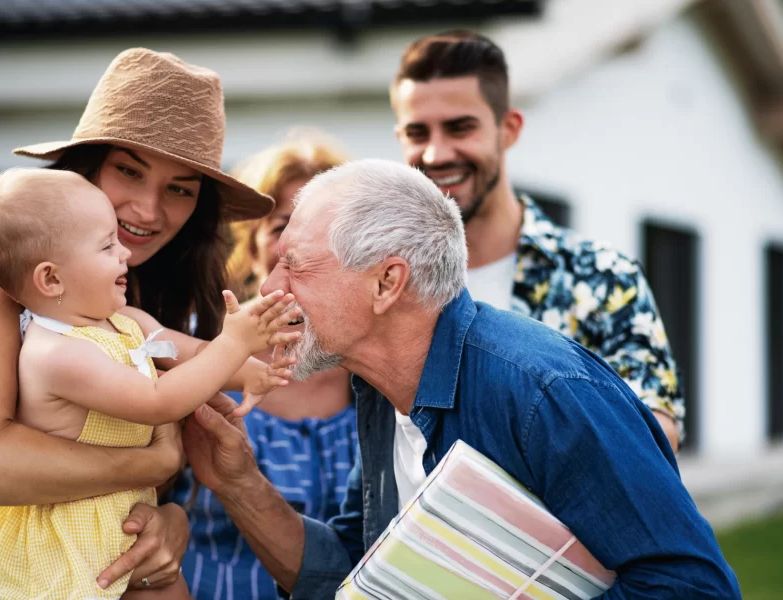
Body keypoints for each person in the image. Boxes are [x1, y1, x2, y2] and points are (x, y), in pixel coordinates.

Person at [181, 159, 742, 599]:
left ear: (386, 284)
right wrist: (238, 483)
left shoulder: (544, 394)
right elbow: (356, 570)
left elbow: (694, 587)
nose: (270, 288)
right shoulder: (377, 389)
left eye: (295, 265)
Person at [0, 48, 271, 596]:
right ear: (86, 166)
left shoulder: (130, 290)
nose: (149, 211)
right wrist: (153, 462)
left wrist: (170, 522)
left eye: (180, 189)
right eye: (128, 170)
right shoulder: (7, 281)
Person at [0, 168, 299, 600]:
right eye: (107, 244)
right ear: (51, 279)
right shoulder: (54, 353)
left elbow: (191, 353)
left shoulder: (123, 320)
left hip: (117, 511)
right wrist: (234, 341)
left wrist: (251, 371)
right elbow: (158, 400)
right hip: (67, 528)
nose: (124, 252)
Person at [390, 31, 684, 451]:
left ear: (508, 129)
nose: (436, 154)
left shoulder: (603, 279)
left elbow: (654, 439)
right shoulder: (383, 283)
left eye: (460, 128)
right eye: (418, 133)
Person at [171, 132, 358, 599]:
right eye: (283, 228)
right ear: (252, 250)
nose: (306, 245)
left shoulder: (376, 376)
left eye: (327, 229)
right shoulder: (196, 355)